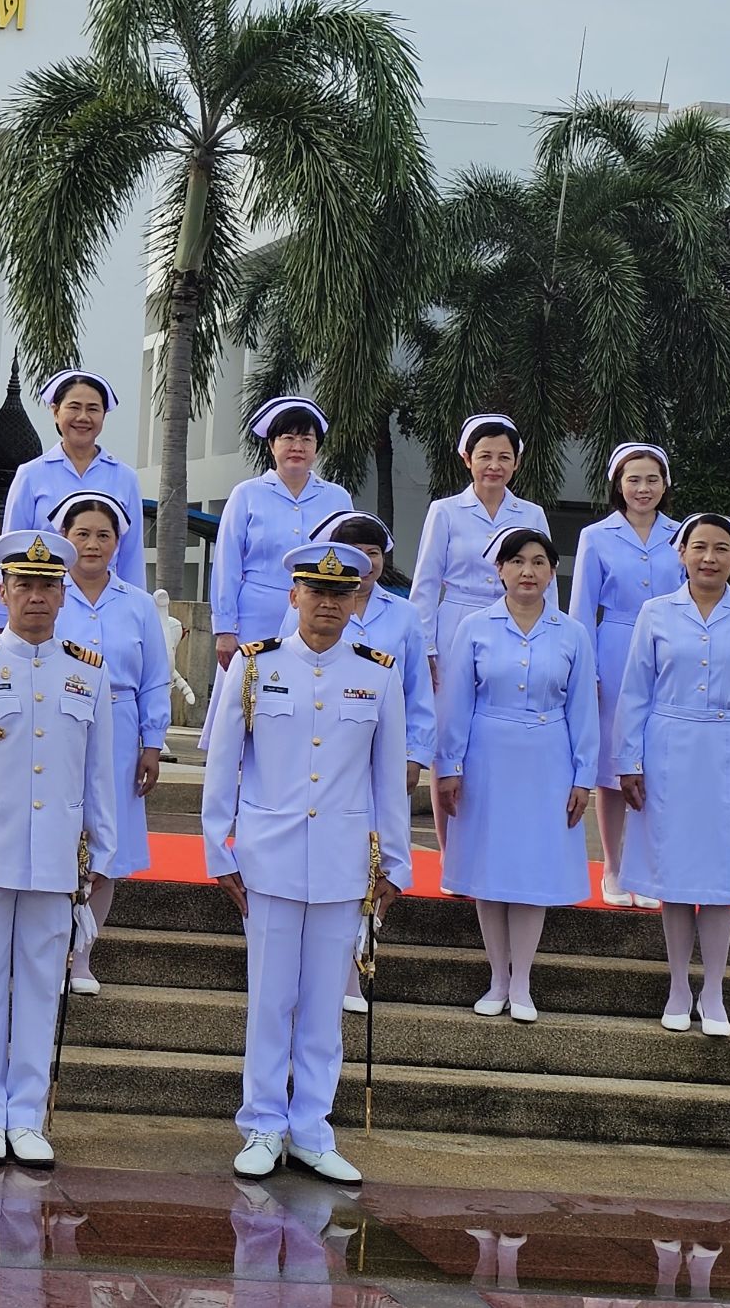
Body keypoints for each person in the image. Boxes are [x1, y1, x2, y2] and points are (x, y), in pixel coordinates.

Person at [201, 543, 410, 1185]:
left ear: (354, 602)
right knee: (270, 999)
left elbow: (388, 778)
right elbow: (224, 764)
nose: (326, 604)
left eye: (339, 593)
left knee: (323, 1004)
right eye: (314, 592)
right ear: (293, 596)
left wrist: (393, 864)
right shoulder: (255, 666)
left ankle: (313, 1127)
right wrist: (219, 849)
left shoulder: (377, 672)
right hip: (268, 856)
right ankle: (263, 1123)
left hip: (344, 860)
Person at [0, 530, 116, 1169]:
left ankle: (27, 1113)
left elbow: (99, 772)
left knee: (44, 985)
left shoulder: (86, 672)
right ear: (4, 590)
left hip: (54, 856)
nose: (39, 597)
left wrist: (101, 852)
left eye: (50, 585)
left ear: (63, 594)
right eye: (26, 584)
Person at [615, 514, 730, 1037]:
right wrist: (628, 761)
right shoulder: (655, 613)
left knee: (718, 879)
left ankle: (713, 989)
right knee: (674, 876)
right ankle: (676, 985)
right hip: (668, 751)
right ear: (682, 554)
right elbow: (634, 692)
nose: (709, 557)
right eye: (699, 547)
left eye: (720, 548)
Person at [433, 527, 599, 1023]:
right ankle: (496, 978)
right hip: (487, 756)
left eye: (539, 562)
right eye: (517, 562)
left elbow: (583, 709)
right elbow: (456, 702)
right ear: (499, 569)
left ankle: (522, 980)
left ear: (552, 572)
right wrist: (449, 767)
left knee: (531, 870)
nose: (528, 571)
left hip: (548, 757)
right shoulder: (476, 628)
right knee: (490, 869)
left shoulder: (571, 633)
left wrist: (583, 777)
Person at [291, 510, 435, 1014]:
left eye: (374, 553)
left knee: (372, 857)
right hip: (328, 753)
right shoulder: (314, 601)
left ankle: (356, 969)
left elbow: (418, 689)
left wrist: (416, 751)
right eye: (359, 553)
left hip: (384, 752)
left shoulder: (404, 615)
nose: (368, 563)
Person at [48, 492, 172, 998]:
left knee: (106, 846)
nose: (93, 544)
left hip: (121, 727)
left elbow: (155, 678)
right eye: (82, 534)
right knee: (58, 835)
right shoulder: (48, 592)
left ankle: (81, 956)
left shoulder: (138, 605)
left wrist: (153, 742)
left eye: (104, 535)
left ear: (119, 543)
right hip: (59, 724)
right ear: (65, 539)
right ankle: (49, 951)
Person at [569, 443, 684, 907]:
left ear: (665, 485)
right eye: (633, 479)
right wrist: (585, 670)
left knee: (656, 759)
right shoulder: (596, 536)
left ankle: (648, 868)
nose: (642, 488)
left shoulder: (682, 535)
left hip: (668, 650)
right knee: (615, 764)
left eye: (652, 480)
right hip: (614, 648)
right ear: (618, 484)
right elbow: (581, 607)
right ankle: (614, 869)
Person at [210, 397, 354, 674]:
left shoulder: (338, 498)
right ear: (271, 444)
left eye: (307, 439)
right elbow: (227, 563)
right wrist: (225, 628)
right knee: (248, 692)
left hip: (317, 612)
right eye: (288, 438)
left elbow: (347, 563)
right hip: (254, 614)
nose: (297, 447)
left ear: (317, 447)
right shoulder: (247, 494)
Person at [0, 370, 145, 623]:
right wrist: (0, 616)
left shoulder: (125, 478)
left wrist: (138, 612)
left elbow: (132, 553)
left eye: (93, 409)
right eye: (74, 407)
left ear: (104, 415)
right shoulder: (31, 474)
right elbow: (10, 547)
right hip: (43, 605)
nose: (83, 417)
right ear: (55, 411)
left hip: (106, 603)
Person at [408, 414, 550, 672]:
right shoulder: (445, 511)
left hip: (516, 622)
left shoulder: (532, 514)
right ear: (467, 458)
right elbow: (426, 582)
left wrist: (548, 634)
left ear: (516, 463)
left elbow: (546, 582)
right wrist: (424, 646)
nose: (494, 465)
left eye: (504, 457)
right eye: (485, 456)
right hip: (456, 623)